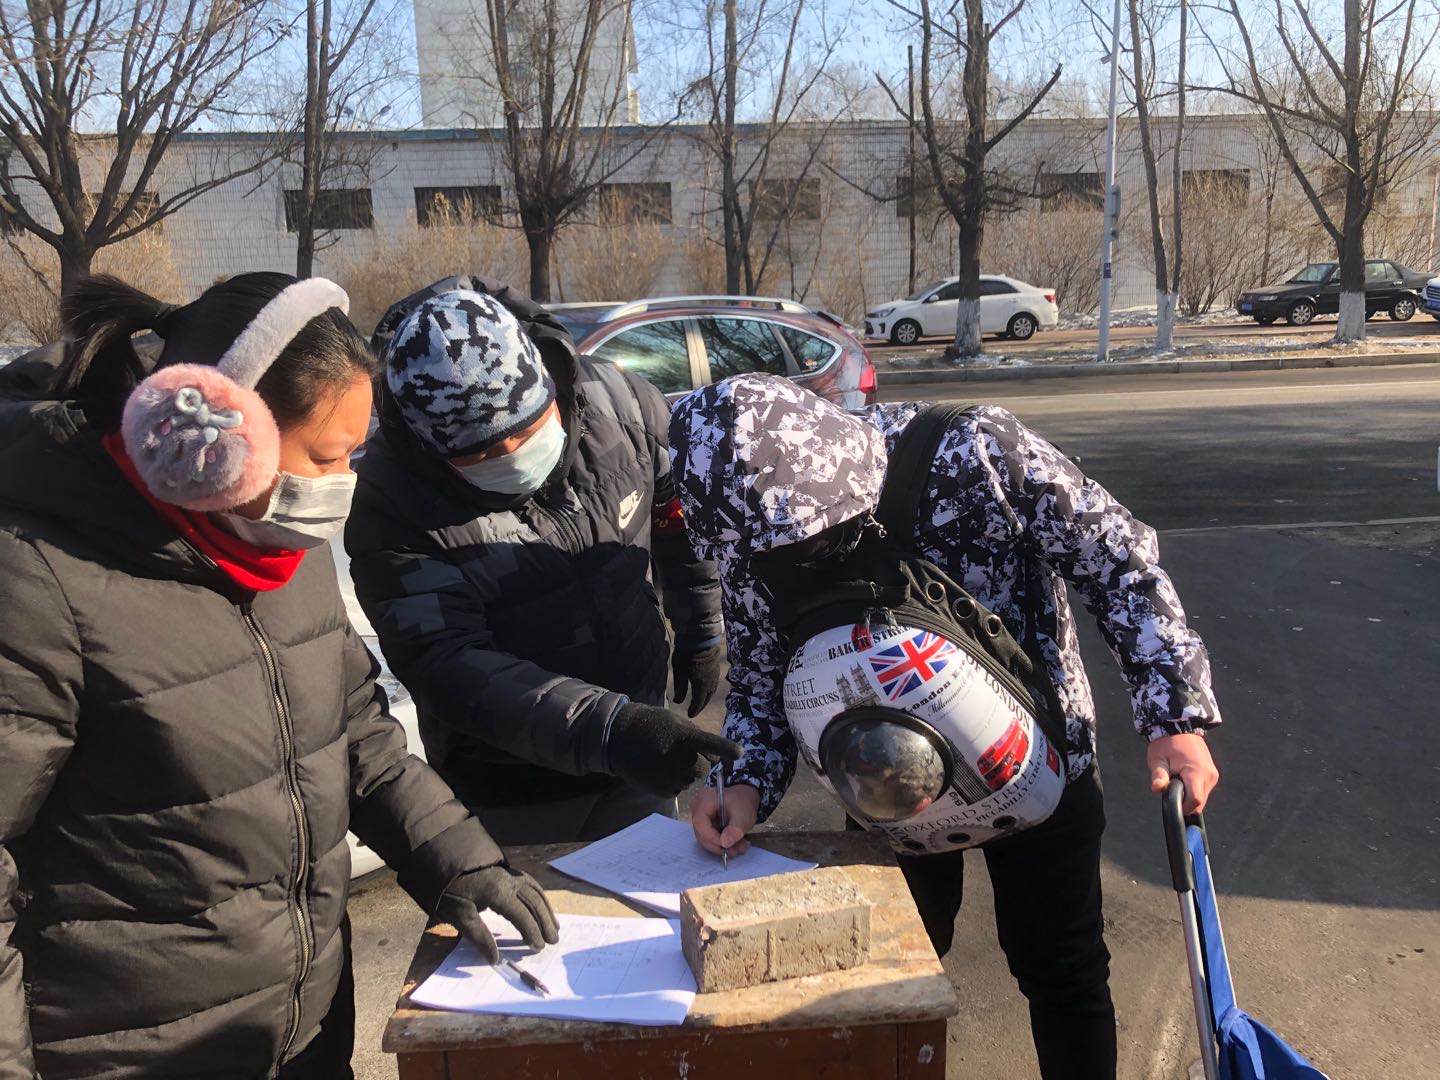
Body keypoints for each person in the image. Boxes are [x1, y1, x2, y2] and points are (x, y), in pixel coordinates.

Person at [0, 273, 558, 1079]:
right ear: (214, 439)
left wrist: (460, 863)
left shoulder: (278, 546)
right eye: (327, 457)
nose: (342, 483)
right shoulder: (35, 579)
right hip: (128, 1056)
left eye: (354, 454)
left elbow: (358, 735)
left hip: (300, 1037)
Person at [672, 374, 1222, 1080]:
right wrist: (744, 781)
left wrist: (1174, 717)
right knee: (887, 973)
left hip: (1036, 762)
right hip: (879, 787)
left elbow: (1117, 562)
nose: (780, 561)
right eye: (759, 553)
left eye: (802, 541)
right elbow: (758, 673)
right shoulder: (750, 536)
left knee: (1061, 969)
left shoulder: (972, 451)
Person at [345, 277, 736, 845]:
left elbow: (679, 523)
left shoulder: (623, 406)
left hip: (640, 758)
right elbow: (445, 661)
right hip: (508, 786)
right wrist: (610, 730)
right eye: (480, 453)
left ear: (551, 385)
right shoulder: (391, 503)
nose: (512, 457)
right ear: (430, 448)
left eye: (526, 430)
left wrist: (702, 632)